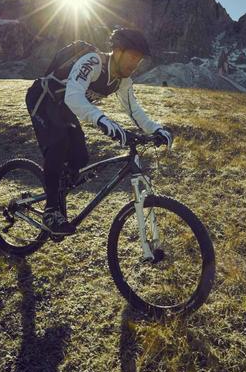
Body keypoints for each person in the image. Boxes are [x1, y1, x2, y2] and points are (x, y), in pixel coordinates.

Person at [25, 28, 173, 235]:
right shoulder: (94, 62)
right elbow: (73, 97)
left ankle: (58, 190)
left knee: (80, 157)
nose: (135, 63)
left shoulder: (123, 80)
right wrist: (101, 120)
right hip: (42, 98)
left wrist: (156, 129)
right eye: (132, 56)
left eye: (139, 59)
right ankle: (51, 210)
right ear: (118, 51)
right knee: (57, 144)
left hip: (64, 108)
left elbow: (134, 111)